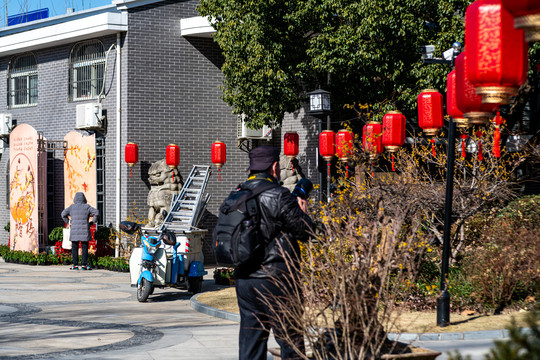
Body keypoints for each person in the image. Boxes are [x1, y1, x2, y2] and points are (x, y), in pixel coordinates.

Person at [235, 146, 314, 360]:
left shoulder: (237, 194)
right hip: (277, 279)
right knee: (291, 343)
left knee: (251, 346)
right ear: (274, 167)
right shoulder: (280, 195)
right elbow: (306, 233)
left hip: (244, 281)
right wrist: (302, 212)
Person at [61, 192, 99, 270]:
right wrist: (93, 222)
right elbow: (97, 212)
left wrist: (68, 221)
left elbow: (63, 214)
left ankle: (75, 265)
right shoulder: (87, 207)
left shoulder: (72, 207)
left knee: (74, 247)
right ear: (84, 199)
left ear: (75, 199)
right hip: (85, 230)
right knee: (84, 247)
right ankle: (84, 265)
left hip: (74, 231)